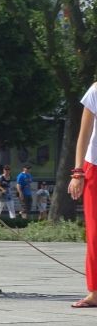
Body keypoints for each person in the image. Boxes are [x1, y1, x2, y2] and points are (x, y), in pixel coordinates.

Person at [68, 82, 97, 309]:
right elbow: (84, 134)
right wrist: (78, 172)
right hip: (94, 168)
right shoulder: (96, 90)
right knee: (95, 233)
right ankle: (94, 292)